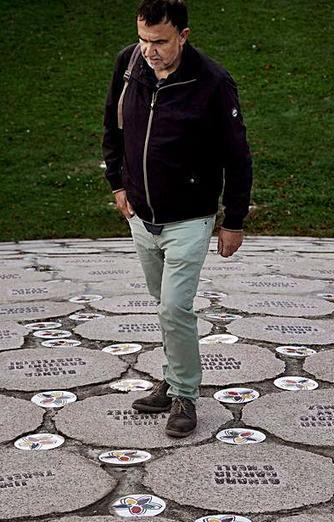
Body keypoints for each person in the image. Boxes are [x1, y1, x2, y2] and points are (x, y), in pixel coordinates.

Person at [102, 0, 252, 438]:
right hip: (142, 214)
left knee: (174, 307)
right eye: (144, 40)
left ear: (183, 36)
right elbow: (112, 128)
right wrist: (117, 183)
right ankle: (170, 381)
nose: (149, 51)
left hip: (190, 217)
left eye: (160, 42)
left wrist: (234, 219)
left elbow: (237, 156)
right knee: (164, 306)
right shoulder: (129, 64)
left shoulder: (213, 82)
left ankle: (185, 394)